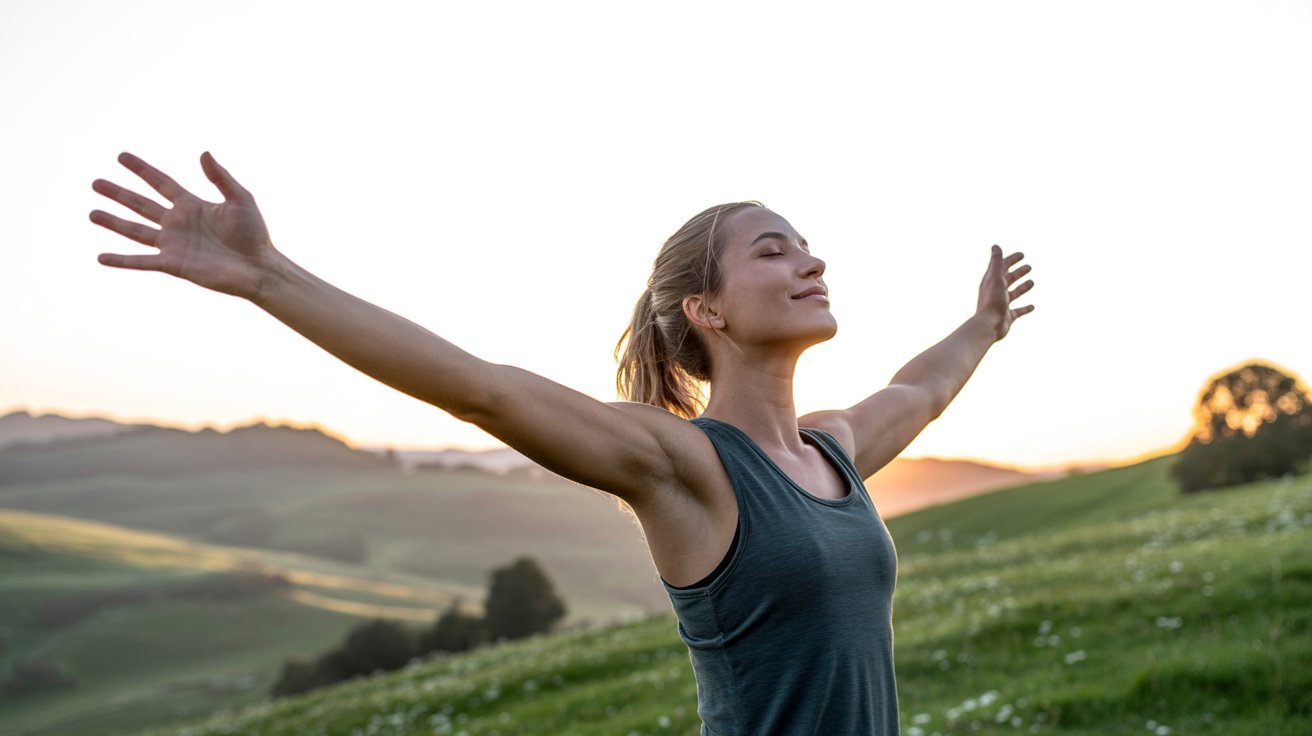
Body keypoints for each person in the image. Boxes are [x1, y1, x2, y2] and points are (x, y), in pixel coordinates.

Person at [89, 152, 1034, 735]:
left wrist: (983, 328)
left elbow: (922, 390)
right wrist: (270, 278)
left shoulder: (832, 451)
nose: (811, 260)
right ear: (705, 310)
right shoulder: (684, 467)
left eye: (806, 244)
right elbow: (482, 391)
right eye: (773, 249)